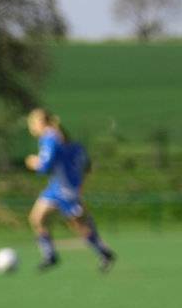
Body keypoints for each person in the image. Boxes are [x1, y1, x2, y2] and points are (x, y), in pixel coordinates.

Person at [25, 109, 115, 272]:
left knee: (80, 226)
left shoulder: (49, 138)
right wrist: (80, 185)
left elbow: (46, 165)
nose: (31, 128)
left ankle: (104, 252)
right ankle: (50, 255)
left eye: (32, 123)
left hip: (63, 190)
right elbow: (86, 165)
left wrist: (33, 162)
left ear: (40, 123)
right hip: (59, 188)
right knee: (37, 218)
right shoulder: (64, 139)